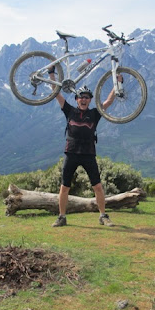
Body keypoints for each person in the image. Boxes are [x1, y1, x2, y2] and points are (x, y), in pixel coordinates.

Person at [51, 77, 117, 227]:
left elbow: (109, 101)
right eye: (81, 97)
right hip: (71, 153)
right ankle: (61, 217)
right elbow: (56, 93)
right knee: (64, 187)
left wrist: (117, 83)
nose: (83, 100)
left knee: (98, 187)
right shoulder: (69, 110)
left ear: (90, 100)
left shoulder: (94, 113)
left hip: (88, 154)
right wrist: (51, 75)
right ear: (76, 99)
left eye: (86, 97)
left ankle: (103, 216)